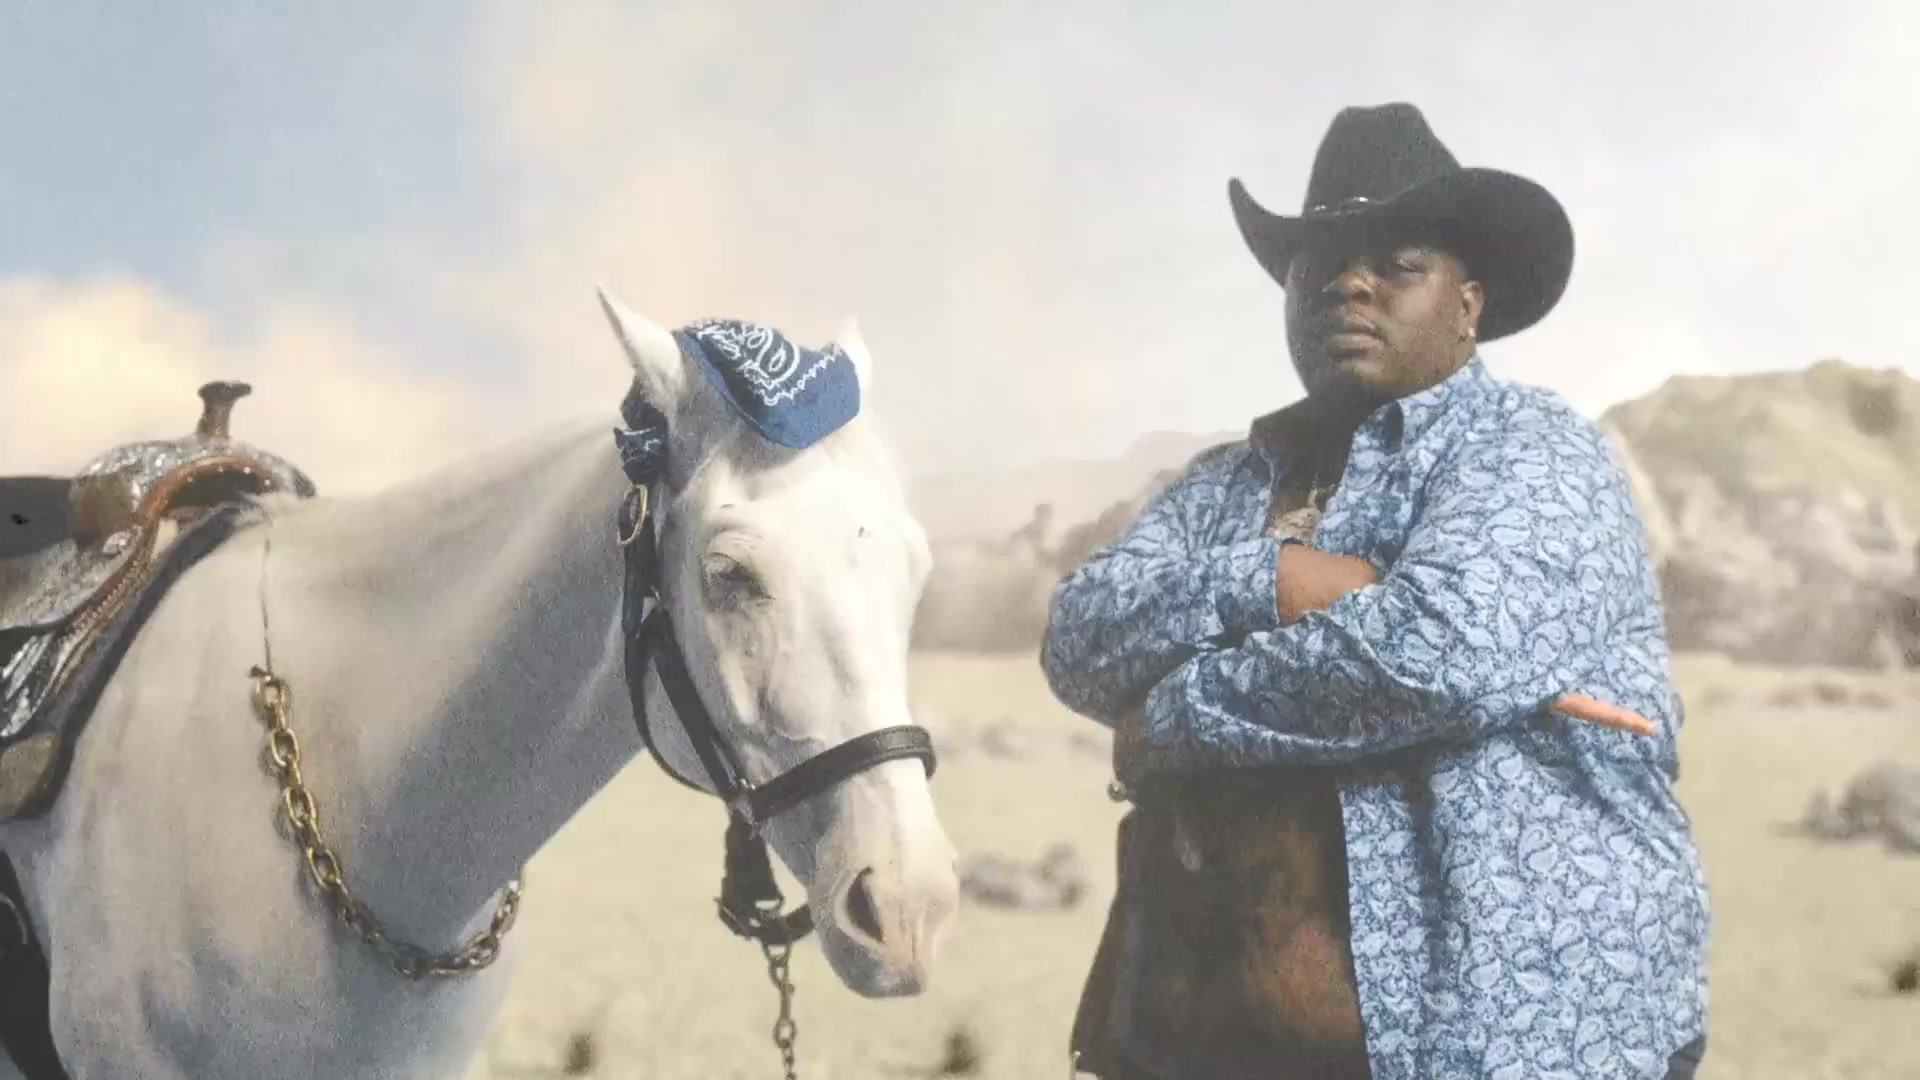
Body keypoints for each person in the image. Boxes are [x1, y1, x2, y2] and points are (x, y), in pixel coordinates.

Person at [1042, 103, 1711, 1079]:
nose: (1349, 284)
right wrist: (1277, 575)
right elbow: (1079, 634)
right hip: (1215, 1037)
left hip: (1516, 1042)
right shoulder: (1223, 483)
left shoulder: (1535, 451)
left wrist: (1173, 711)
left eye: (1398, 264)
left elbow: (1437, 656)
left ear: (1468, 306)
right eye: (1318, 264)